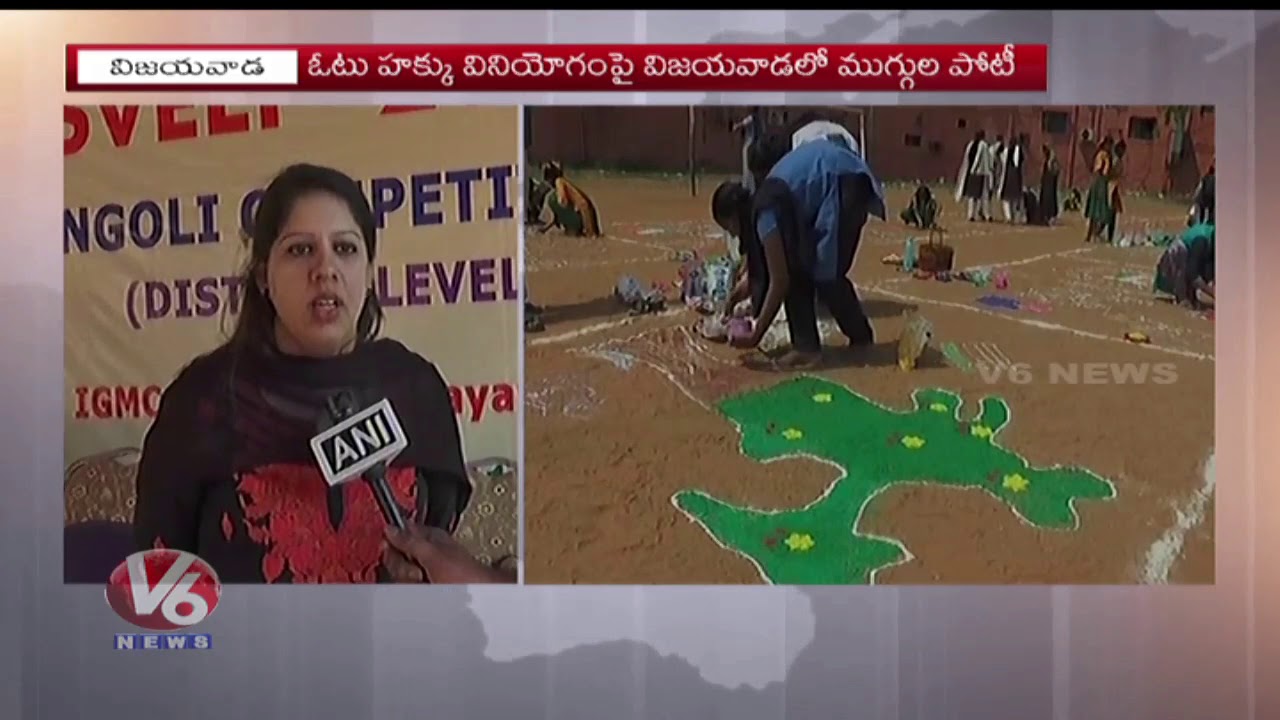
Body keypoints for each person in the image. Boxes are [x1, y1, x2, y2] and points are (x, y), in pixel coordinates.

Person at [132, 163, 512, 584]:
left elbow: (441, 533)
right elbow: (157, 575)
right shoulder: (201, 400)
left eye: (346, 249)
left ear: (369, 274)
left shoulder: (415, 388)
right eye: (300, 250)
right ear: (263, 276)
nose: (325, 269)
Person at [716, 137, 887, 370]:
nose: (734, 235)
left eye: (729, 228)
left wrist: (756, 333)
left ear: (734, 218)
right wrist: (735, 297)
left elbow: (779, 279)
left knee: (826, 272)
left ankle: (856, 340)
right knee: (801, 264)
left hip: (841, 180)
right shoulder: (760, 205)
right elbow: (769, 269)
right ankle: (808, 346)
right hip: (830, 175)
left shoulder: (765, 214)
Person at [1154, 222, 1215, 310]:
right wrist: (1213, 293)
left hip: (1192, 259)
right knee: (1185, 304)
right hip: (1179, 256)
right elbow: (1192, 274)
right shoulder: (1201, 241)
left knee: (1193, 301)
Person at [537, 162, 602, 237]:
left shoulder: (559, 181)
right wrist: (545, 229)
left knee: (592, 237)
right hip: (586, 207)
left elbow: (562, 200)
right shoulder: (563, 182)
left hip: (584, 209)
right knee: (594, 236)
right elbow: (556, 217)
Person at [1084, 137, 1121, 243]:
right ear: (1105, 145)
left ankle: (1092, 236)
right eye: (1109, 145)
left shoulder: (1106, 155)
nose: (1110, 147)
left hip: (1101, 183)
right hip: (1100, 183)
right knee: (1098, 211)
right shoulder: (1103, 155)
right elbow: (1101, 171)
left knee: (1096, 212)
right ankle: (1092, 235)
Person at [955, 129, 994, 221]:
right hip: (981, 173)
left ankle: (972, 214)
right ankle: (985, 214)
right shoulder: (983, 146)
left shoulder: (971, 145)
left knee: (973, 195)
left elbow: (968, 159)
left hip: (973, 173)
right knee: (983, 195)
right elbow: (986, 160)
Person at [997, 133, 1028, 223]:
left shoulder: (1007, 151)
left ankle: (1010, 216)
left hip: (1009, 175)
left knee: (1007, 198)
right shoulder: (1019, 150)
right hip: (1016, 176)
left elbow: (1001, 158)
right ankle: (1015, 216)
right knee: (1015, 198)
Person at [733, 107, 764, 192]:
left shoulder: (752, 117)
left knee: (747, 167)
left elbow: (744, 122)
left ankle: (748, 186)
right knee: (751, 168)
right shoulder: (759, 119)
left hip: (750, 143)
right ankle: (750, 185)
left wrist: (736, 126)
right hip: (755, 143)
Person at [1038, 144, 1061, 225]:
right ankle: (1047, 217)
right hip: (1047, 185)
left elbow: (1055, 173)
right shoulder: (1049, 160)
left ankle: (1050, 217)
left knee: (1049, 200)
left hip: (1050, 186)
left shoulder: (1052, 161)